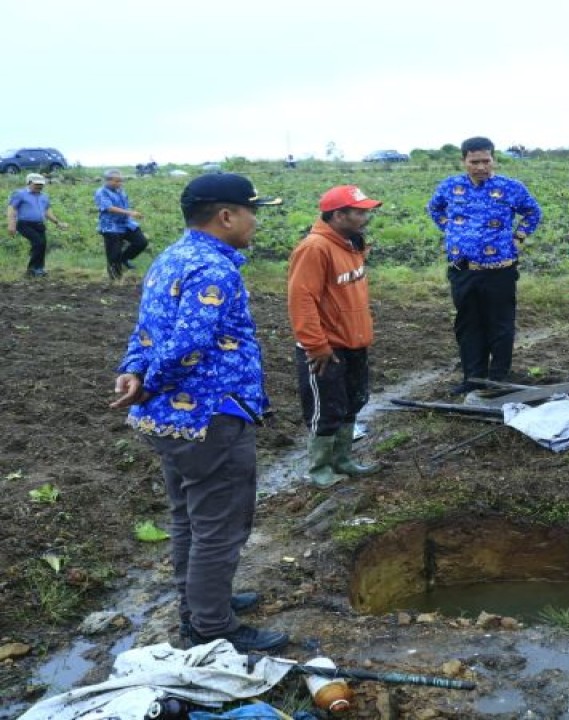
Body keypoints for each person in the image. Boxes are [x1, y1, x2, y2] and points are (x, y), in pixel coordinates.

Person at [110, 173, 289, 653]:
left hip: (171, 419)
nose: (257, 220)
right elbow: (188, 343)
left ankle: (202, 602)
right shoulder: (214, 269)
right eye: (253, 210)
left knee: (190, 516)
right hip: (211, 416)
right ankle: (212, 625)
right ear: (226, 215)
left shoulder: (171, 258)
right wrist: (146, 380)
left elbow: (146, 329)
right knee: (221, 524)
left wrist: (133, 370)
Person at [427, 137, 542, 394]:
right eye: (474, 161)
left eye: (486, 161)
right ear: (464, 161)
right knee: (468, 324)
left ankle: (498, 378)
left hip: (500, 269)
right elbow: (434, 209)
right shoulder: (450, 186)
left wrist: (519, 236)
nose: (481, 167)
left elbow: (533, 212)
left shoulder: (511, 187)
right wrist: (452, 231)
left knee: (500, 324)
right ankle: (473, 378)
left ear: (494, 159)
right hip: (463, 270)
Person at [288, 185, 384, 487]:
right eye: (359, 212)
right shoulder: (314, 248)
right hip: (326, 348)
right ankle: (319, 470)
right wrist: (316, 345)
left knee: (352, 402)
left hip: (354, 342)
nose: (366, 216)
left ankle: (343, 459)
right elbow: (302, 300)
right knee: (326, 408)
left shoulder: (350, 243)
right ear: (338, 215)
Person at [6, 173, 68, 277]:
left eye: (41, 184)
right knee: (38, 243)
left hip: (39, 224)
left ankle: (39, 269)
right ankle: (31, 270)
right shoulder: (20, 194)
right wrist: (11, 224)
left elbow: (47, 212)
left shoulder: (44, 196)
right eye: (37, 184)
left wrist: (57, 223)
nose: (40, 186)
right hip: (24, 224)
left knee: (42, 245)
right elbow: (12, 209)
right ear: (29, 183)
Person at [95, 169, 149, 279]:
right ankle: (115, 279)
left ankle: (124, 259)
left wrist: (130, 214)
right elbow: (109, 208)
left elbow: (125, 205)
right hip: (111, 226)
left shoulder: (120, 191)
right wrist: (130, 213)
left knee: (141, 242)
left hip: (126, 223)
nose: (120, 183)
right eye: (117, 181)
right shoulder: (101, 192)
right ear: (108, 181)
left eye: (120, 181)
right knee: (113, 254)